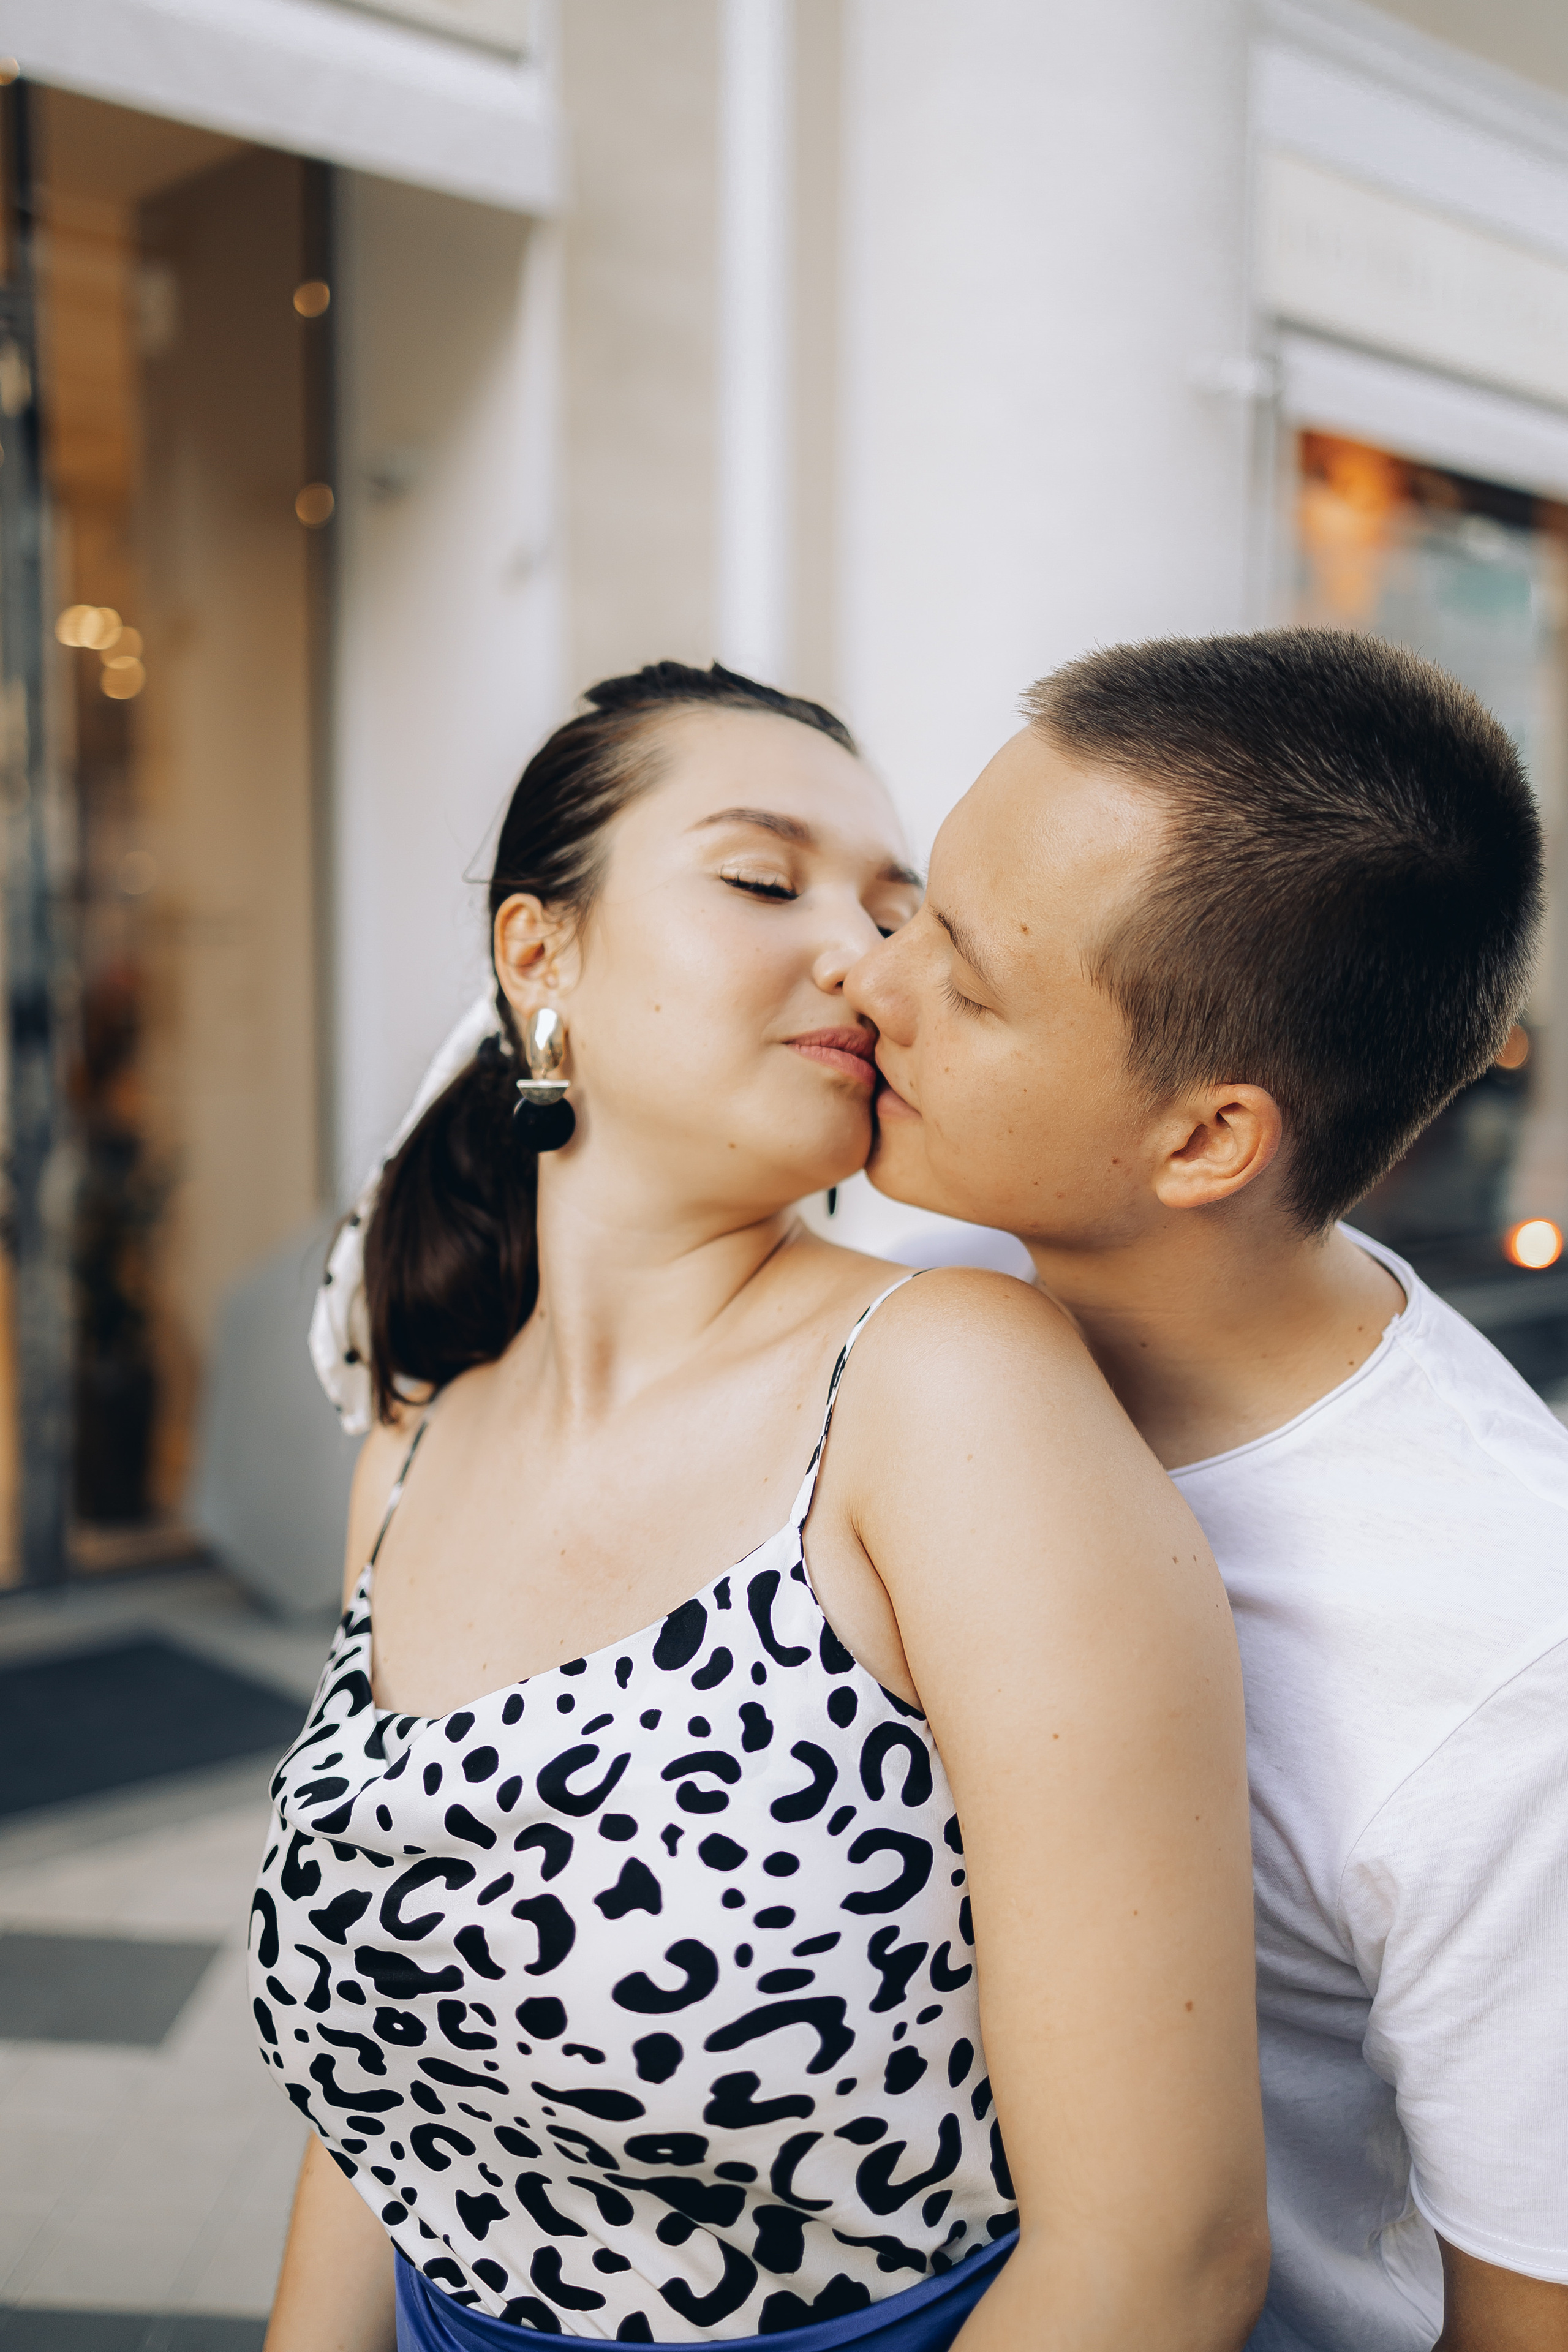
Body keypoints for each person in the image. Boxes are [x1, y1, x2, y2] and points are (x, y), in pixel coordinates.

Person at [255, 662, 1267, 2352]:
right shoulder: (418, 1450)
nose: (864, 958)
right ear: (540, 956)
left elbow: (1159, 2259)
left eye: (893, 910)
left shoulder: (939, 1390)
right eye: (759, 878)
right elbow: (386, 2105)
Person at [845, 628, 1568, 2352]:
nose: (872, 986)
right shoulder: (925, 1272)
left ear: (1205, 1141)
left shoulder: (1501, 1663)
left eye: (970, 983)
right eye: (918, 909)